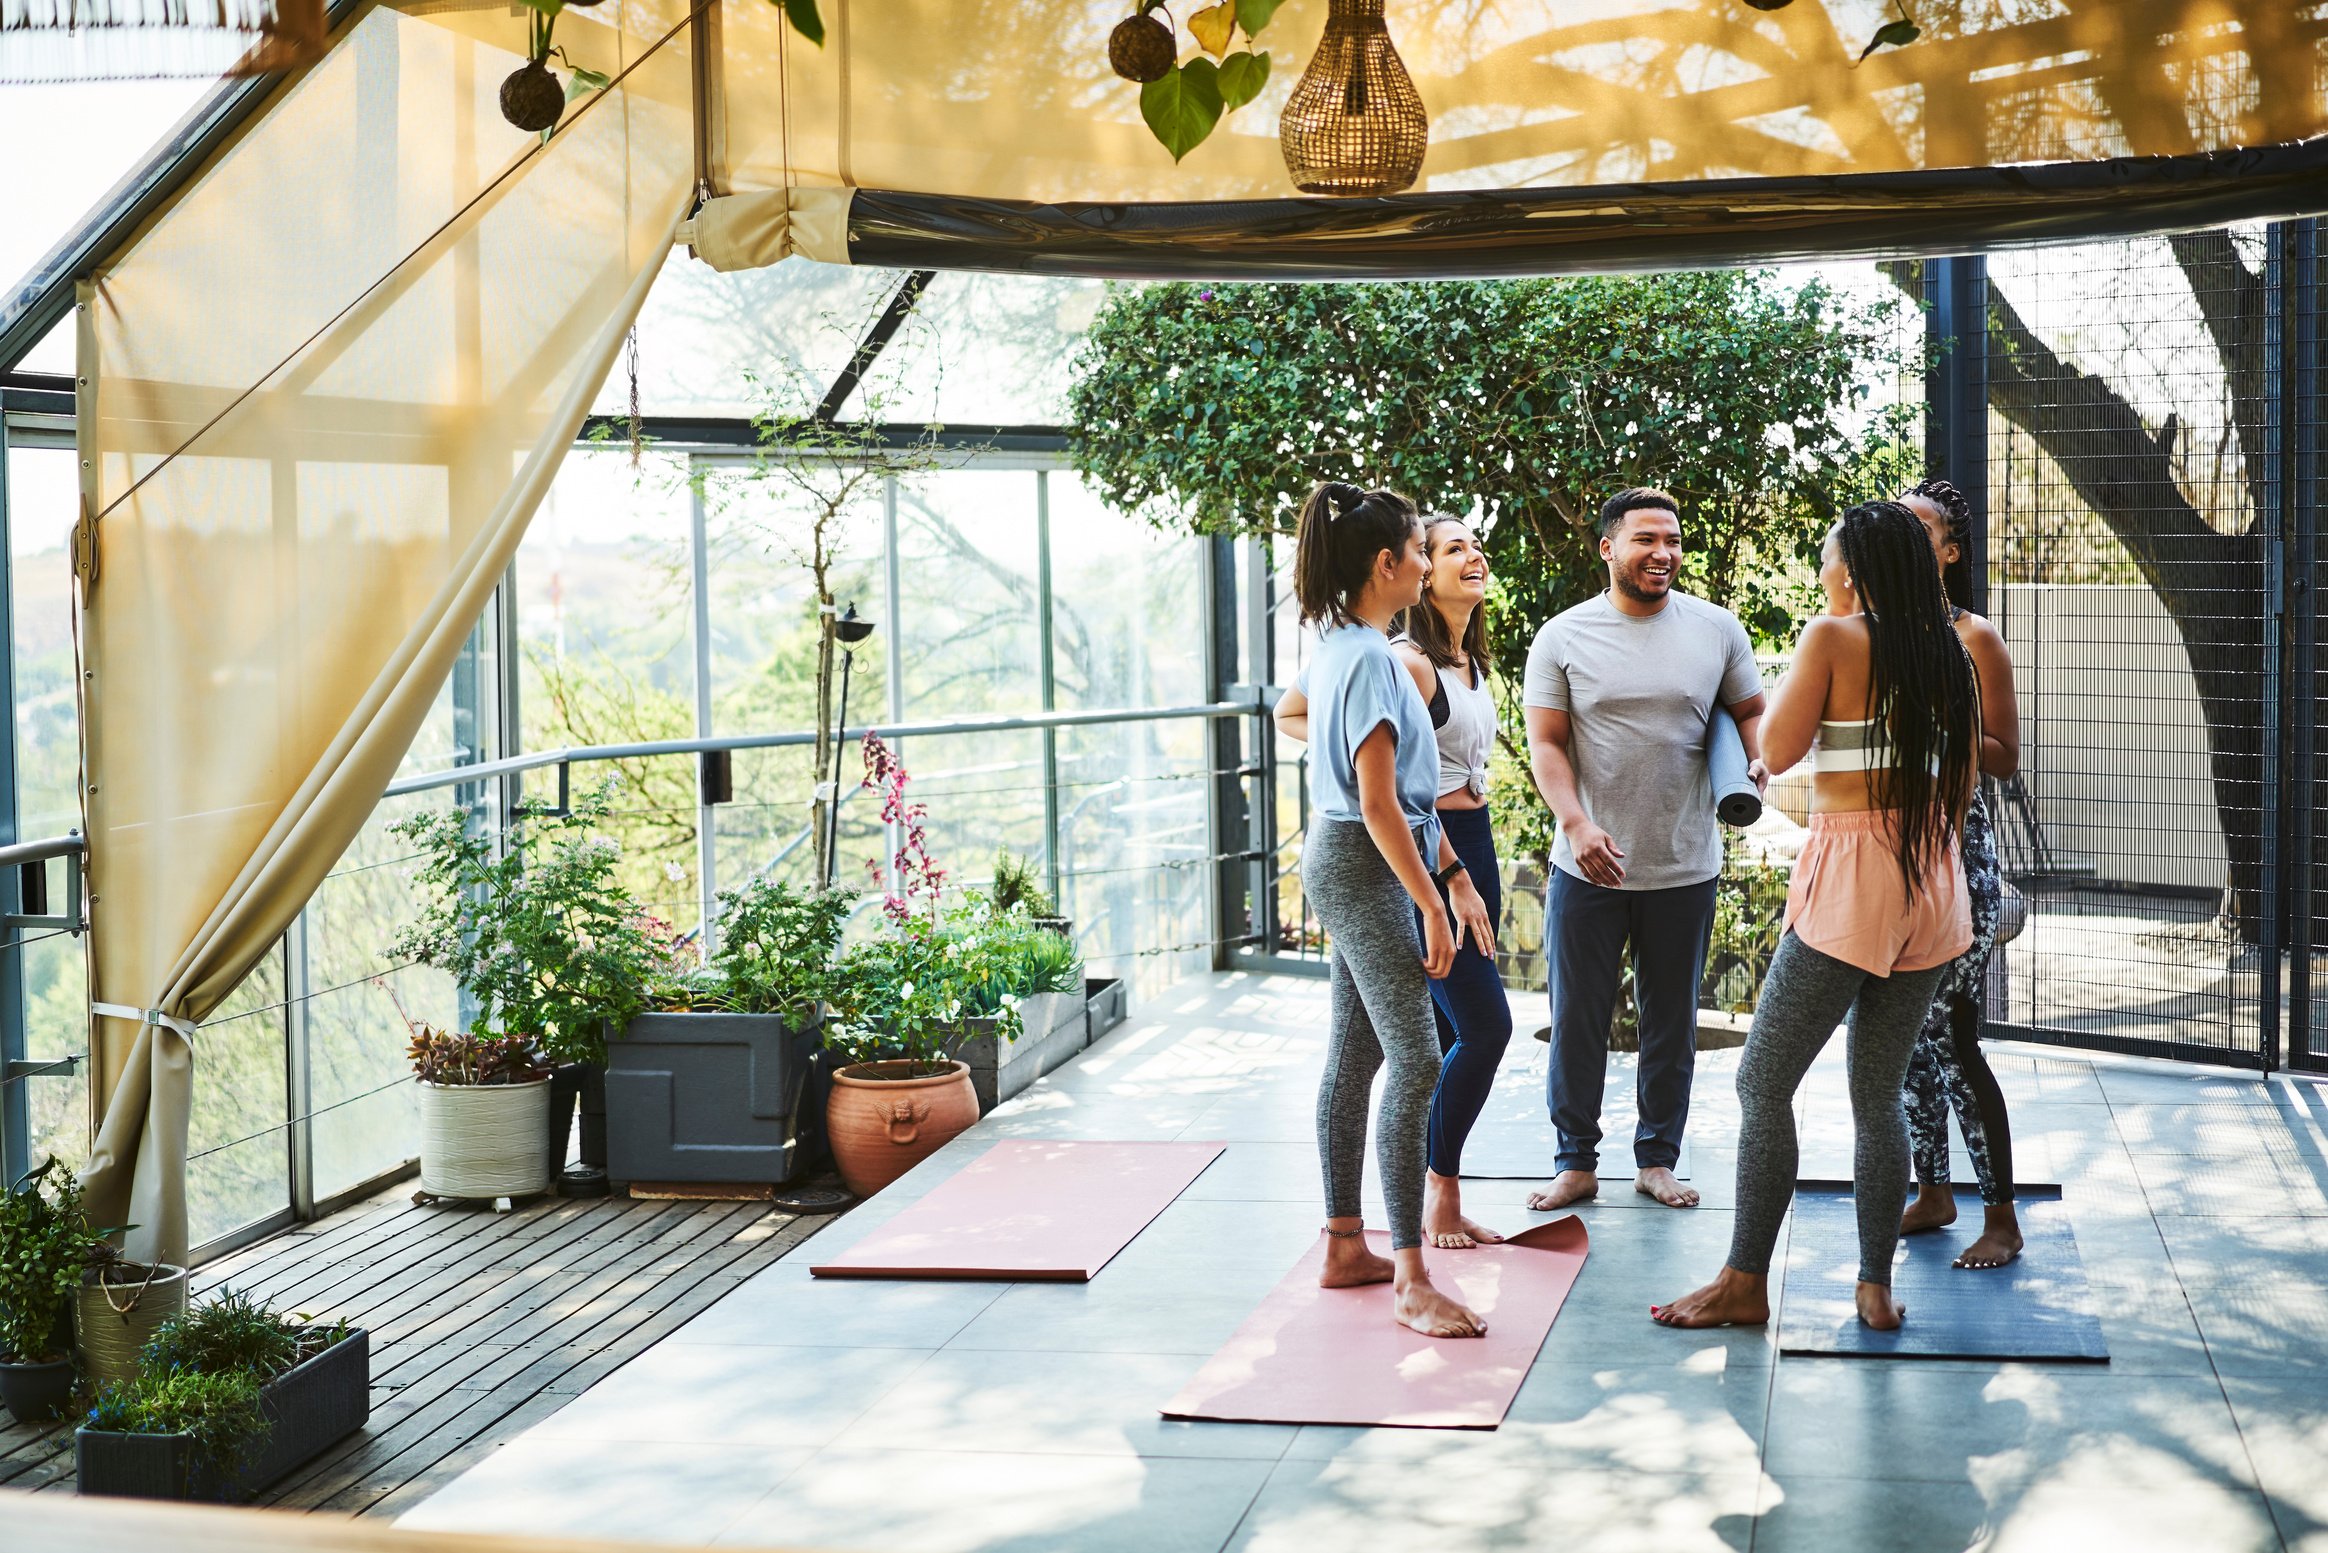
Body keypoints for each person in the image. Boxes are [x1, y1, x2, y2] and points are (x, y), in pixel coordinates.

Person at [1652, 499, 1981, 1332]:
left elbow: (1781, 749)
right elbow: (1967, 781)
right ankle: (1873, 1284)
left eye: (1829, 559)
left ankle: (1744, 1280)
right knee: (1878, 1096)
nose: (1822, 572)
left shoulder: (1833, 636)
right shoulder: (1953, 650)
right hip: (1933, 882)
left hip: (1854, 880)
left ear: (1856, 572)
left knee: (1763, 1080)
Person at [1278, 480, 1495, 1339]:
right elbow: (1378, 804)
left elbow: (1405, 797)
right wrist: (1432, 905)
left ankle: (1343, 1243)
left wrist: (1457, 874)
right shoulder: (1371, 658)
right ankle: (1411, 1273)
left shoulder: (1343, 642)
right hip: (1364, 864)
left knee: (1359, 1051)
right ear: (1386, 564)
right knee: (1418, 1059)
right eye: (1417, 549)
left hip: (1359, 859)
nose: (1421, 560)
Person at [1522, 488, 1767, 1213]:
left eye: (1673, 539)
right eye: (1646, 540)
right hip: (1587, 866)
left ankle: (1658, 1159)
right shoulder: (1562, 636)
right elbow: (1545, 743)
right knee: (1577, 1021)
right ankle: (1575, 1162)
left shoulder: (1717, 629)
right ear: (1608, 548)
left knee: (1671, 1026)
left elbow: (1752, 714)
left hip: (1685, 864)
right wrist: (1575, 824)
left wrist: (1756, 762)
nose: (1663, 553)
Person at [1897, 477, 2026, 1269]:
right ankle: (1934, 1190)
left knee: (1949, 1034)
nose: (1908, 539)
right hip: (1893, 863)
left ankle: (2002, 1217)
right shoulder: (1863, 631)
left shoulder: (1973, 636)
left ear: (1949, 550)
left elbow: (2006, 756)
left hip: (1963, 864)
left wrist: (1939, 731)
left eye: (1923, 529)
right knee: (1907, 1037)